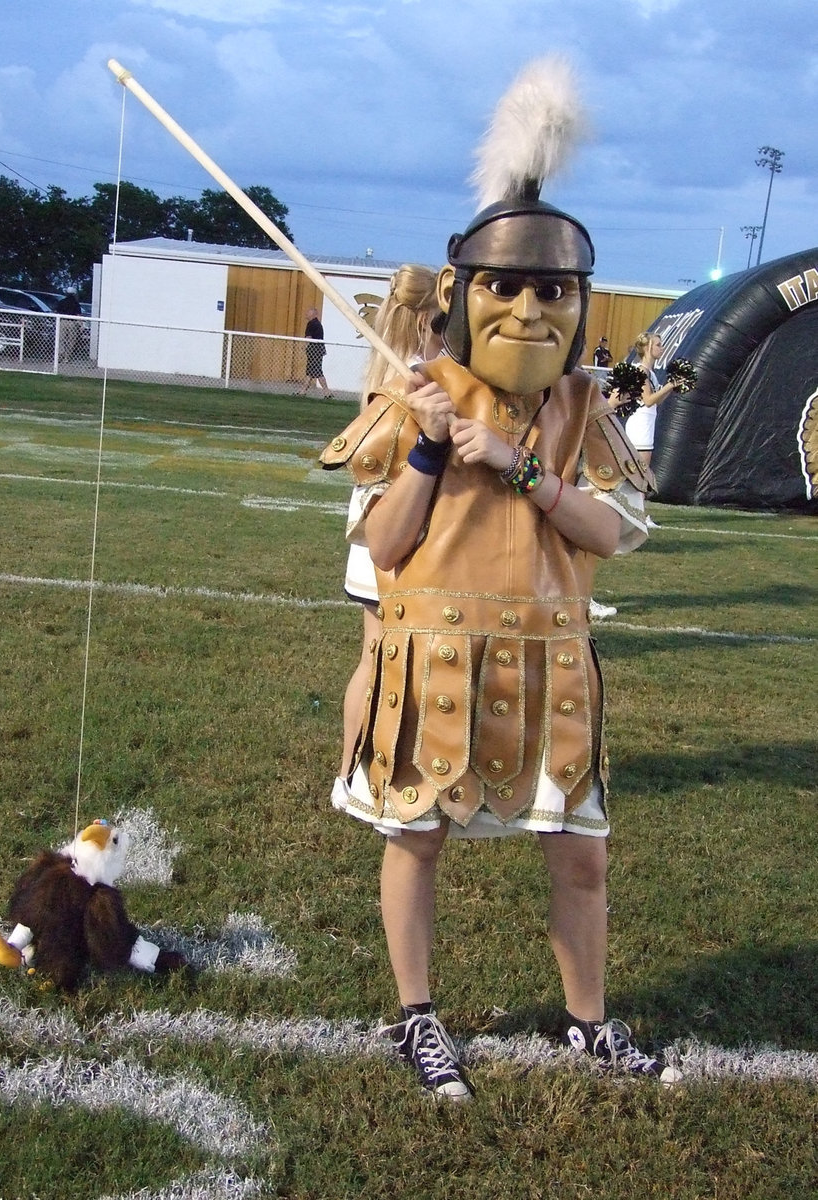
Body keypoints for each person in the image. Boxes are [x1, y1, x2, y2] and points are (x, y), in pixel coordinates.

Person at [321, 58, 679, 1101]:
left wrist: (516, 464)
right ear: (465, 296)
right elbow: (385, 548)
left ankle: (588, 1023)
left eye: (553, 288)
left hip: (552, 662)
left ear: (579, 300)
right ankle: (417, 1016)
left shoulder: (583, 408)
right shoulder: (413, 398)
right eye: (507, 285)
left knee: (582, 858)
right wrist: (434, 450)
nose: (530, 306)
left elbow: (613, 534)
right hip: (428, 654)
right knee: (417, 841)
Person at [334, 265, 444, 791]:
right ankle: (358, 773)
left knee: (374, 657)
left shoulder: (387, 370)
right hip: (396, 528)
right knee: (384, 661)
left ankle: (351, 773)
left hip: (381, 522)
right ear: (429, 319)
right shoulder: (418, 376)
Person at [610, 331, 677, 469]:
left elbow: (656, 402)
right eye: (658, 345)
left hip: (646, 426)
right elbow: (648, 400)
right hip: (640, 429)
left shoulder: (651, 373)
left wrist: (672, 387)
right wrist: (669, 385)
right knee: (641, 476)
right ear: (647, 348)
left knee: (641, 476)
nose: (662, 348)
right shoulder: (640, 371)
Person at [300, 306, 333, 396]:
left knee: (317, 371)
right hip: (319, 350)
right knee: (310, 371)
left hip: (314, 350)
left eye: (308, 312)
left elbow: (309, 338)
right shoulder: (317, 324)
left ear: (313, 314)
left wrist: (304, 347)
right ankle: (303, 391)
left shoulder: (311, 324)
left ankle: (327, 392)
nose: (306, 314)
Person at [56, 288, 82, 361]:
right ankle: (67, 357)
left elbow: (57, 312)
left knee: (61, 339)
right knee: (71, 340)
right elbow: (78, 314)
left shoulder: (61, 302)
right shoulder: (76, 303)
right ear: (74, 294)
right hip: (72, 322)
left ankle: (60, 355)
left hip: (62, 321)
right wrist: (80, 325)